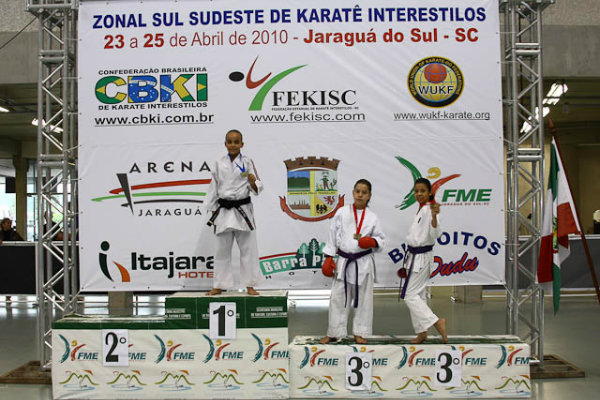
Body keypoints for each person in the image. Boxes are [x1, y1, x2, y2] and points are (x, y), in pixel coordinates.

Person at [319, 179, 385, 344]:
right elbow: (332, 234)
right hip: (344, 261)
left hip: (363, 262)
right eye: (357, 191)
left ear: (369, 195)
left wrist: (372, 241)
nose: (360, 195)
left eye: (364, 192)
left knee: (364, 300)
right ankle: (334, 332)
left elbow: (381, 240)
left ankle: (360, 332)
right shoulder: (342, 212)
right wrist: (328, 256)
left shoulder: (372, 217)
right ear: (353, 192)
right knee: (338, 298)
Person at [205, 129, 263, 296]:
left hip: (242, 210)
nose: (233, 145)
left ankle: (250, 285)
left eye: (236, 142)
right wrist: (212, 210)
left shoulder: (247, 162)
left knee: (248, 249)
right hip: (223, 210)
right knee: (221, 250)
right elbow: (213, 187)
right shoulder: (218, 163)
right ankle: (219, 284)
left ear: (242, 144)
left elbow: (257, 187)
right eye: (229, 142)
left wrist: (253, 182)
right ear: (225, 144)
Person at [399, 178, 447, 344]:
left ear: (429, 193)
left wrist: (434, 217)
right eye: (416, 191)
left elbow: (436, 234)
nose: (419, 194)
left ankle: (436, 322)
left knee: (409, 295)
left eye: (422, 191)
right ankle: (421, 332)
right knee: (419, 295)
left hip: (422, 256)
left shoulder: (430, 209)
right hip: (414, 256)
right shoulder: (421, 209)